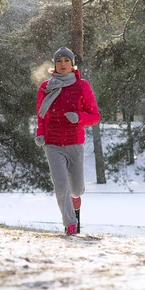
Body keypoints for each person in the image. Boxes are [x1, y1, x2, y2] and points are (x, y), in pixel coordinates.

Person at [35, 47, 101, 236]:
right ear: (54, 65)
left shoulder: (82, 86)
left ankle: (76, 195)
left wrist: (79, 117)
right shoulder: (45, 87)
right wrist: (40, 133)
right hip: (52, 143)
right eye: (59, 61)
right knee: (61, 185)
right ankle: (70, 224)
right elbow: (41, 115)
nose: (62, 64)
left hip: (74, 142)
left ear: (72, 64)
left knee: (76, 187)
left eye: (66, 61)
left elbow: (95, 116)